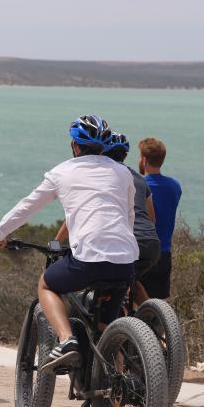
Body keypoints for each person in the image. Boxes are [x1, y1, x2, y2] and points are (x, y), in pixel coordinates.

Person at [0, 115, 137, 373]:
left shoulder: (62, 172)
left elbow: (27, 207)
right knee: (106, 327)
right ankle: (116, 385)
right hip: (125, 262)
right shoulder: (123, 173)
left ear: (74, 145)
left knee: (46, 284)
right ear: (103, 147)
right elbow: (128, 216)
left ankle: (66, 340)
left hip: (88, 259)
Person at [54, 132, 160, 308]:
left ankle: (115, 323)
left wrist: (56, 241)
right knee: (129, 282)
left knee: (103, 284)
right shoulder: (139, 178)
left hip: (124, 244)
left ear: (102, 152)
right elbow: (152, 218)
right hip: (151, 244)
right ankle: (153, 318)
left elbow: (76, 216)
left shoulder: (102, 177)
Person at [138, 137, 182, 300]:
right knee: (158, 305)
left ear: (144, 160)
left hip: (142, 253)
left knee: (133, 301)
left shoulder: (139, 185)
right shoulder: (174, 186)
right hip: (164, 252)